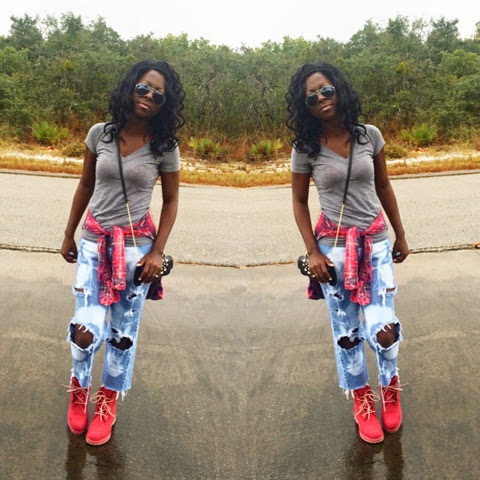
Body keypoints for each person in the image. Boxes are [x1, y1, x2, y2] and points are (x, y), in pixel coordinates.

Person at [61, 60, 184, 446]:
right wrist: (68, 234)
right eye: (144, 88)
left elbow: (171, 201)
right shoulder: (100, 133)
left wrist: (158, 252)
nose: (149, 96)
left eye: (159, 94)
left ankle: (107, 400)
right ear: (130, 88)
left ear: (166, 103)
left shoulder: (165, 147)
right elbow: (85, 185)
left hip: (137, 252)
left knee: (122, 333)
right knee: (85, 329)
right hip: (93, 244)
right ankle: (79, 389)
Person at [288, 62, 408, 444]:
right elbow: (299, 202)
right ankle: (362, 399)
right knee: (347, 332)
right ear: (304, 106)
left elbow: (384, 186)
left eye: (326, 90)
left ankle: (389, 387)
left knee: (384, 329)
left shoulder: (369, 135)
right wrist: (312, 252)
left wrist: (400, 234)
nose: (321, 99)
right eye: (311, 97)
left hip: (376, 244)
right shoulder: (305, 148)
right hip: (333, 252)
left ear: (339, 90)